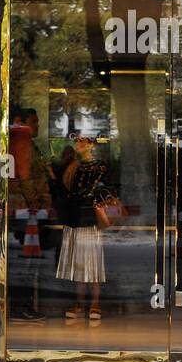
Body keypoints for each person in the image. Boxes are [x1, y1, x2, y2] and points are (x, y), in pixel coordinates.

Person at [55, 133, 113, 322]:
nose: (78, 144)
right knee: (77, 263)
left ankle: (95, 302)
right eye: (77, 141)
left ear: (91, 145)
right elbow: (66, 188)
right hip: (75, 217)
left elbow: (101, 190)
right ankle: (79, 302)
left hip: (89, 218)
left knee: (93, 262)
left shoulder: (99, 166)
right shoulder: (74, 167)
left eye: (83, 141)